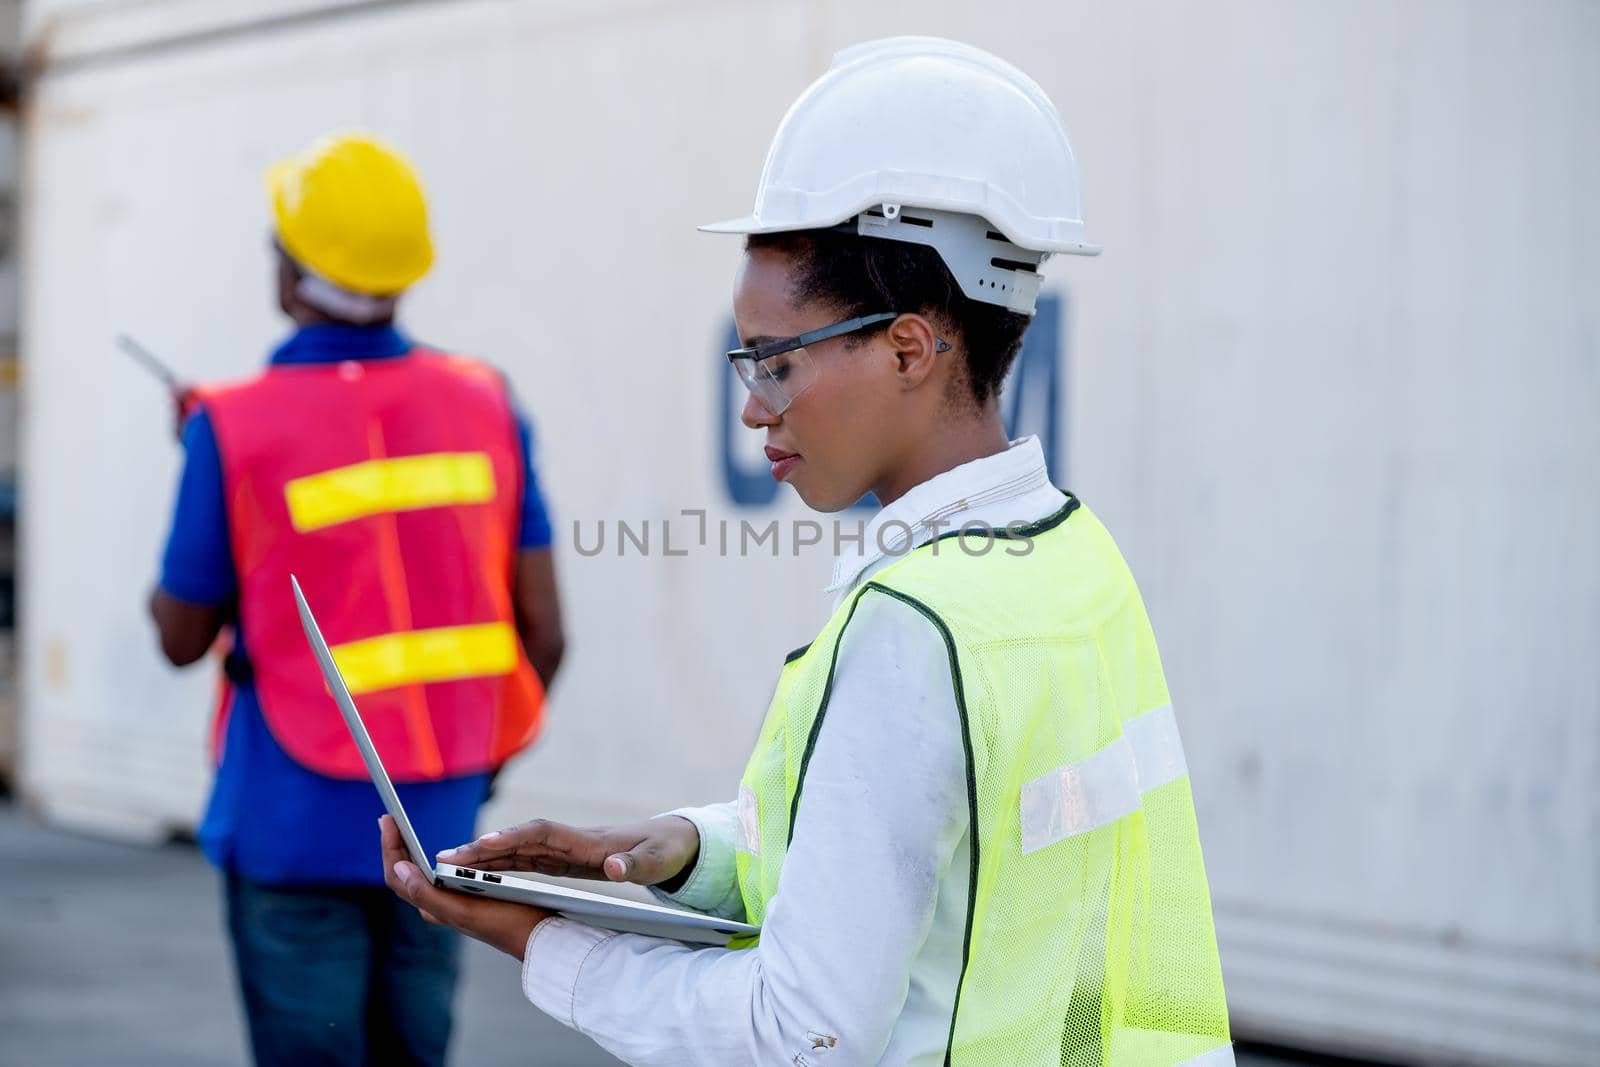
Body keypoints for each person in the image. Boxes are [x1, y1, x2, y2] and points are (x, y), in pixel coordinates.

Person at [380, 37, 1232, 1066]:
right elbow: (967, 873)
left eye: (776, 363)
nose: (751, 407)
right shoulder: (1073, 558)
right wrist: (684, 848)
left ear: (910, 347)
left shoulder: (915, 628)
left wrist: (542, 944)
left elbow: (801, 1035)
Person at [149, 131, 565, 1066]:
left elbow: (179, 634)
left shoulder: (230, 422)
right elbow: (544, 630)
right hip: (443, 822)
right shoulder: (487, 401)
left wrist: (208, 464)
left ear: (293, 276)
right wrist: (473, 760)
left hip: (289, 823)